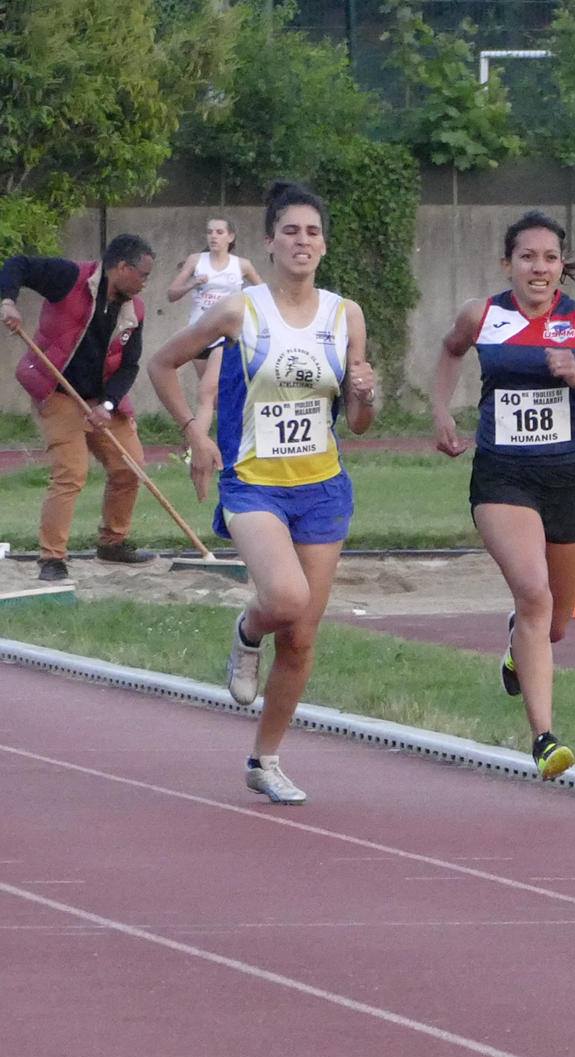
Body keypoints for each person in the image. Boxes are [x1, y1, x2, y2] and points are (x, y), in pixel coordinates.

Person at [146, 181, 377, 806]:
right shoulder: (240, 311)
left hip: (323, 489)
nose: (303, 242)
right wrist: (195, 432)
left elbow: (357, 421)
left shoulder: (345, 314)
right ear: (269, 242)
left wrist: (364, 393)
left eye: (313, 232)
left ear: (324, 244)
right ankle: (248, 630)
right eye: (291, 231)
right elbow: (161, 364)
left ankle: (265, 759)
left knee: (301, 637)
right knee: (285, 600)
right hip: (254, 483)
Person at [431, 210, 575, 781]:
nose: (539, 268)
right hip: (503, 477)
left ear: (561, 266)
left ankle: (516, 648)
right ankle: (545, 739)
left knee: (554, 624)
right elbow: (451, 350)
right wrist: (441, 411)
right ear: (509, 264)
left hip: (569, 477)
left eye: (550, 258)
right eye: (528, 257)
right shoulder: (483, 315)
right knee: (533, 593)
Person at [1, 234, 159, 582]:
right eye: (143, 275)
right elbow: (19, 265)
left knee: (129, 467)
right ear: (122, 267)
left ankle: (113, 543)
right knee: (71, 472)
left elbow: (130, 366)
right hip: (57, 391)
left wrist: (107, 404)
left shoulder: (136, 310)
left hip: (100, 397)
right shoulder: (68, 277)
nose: (146, 283)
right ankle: (52, 558)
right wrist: (8, 302)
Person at [163, 217, 262, 377]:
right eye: (209, 232)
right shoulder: (196, 260)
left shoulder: (242, 264)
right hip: (199, 331)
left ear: (230, 237)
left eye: (219, 232)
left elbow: (263, 293)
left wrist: (245, 302)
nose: (213, 236)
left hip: (228, 333)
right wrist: (193, 283)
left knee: (215, 387)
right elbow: (171, 294)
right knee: (207, 388)